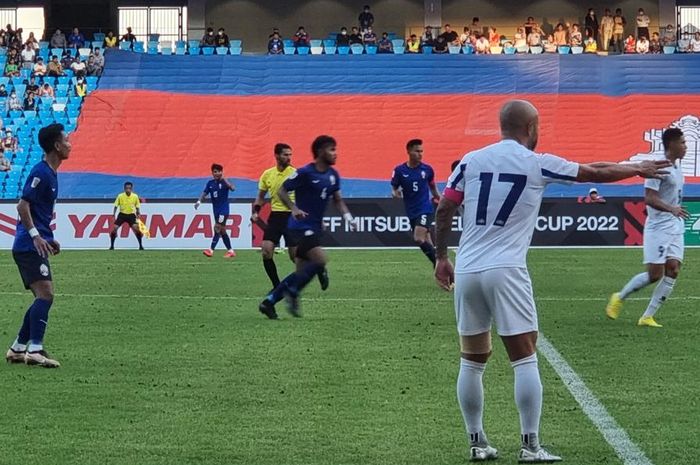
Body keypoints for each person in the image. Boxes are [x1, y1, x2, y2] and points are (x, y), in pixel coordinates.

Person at [433, 100, 670, 463]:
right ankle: (530, 446)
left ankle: (477, 442)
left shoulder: (471, 160)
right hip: (507, 269)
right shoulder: (536, 161)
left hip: (467, 268)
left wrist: (441, 257)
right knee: (524, 358)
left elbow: (445, 207)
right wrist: (637, 168)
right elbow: (594, 172)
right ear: (530, 127)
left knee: (472, 360)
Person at [258, 135, 355, 320]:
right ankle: (294, 292)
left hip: (314, 227)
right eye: (331, 149)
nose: (336, 153)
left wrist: (348, 217)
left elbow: (338, 200)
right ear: (320, 152)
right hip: (300, 227)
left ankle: (269, 302)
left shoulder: (333, 175)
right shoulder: (304, 173)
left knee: (300, 272)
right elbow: (282, 190)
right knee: (320, 259)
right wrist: (293, 208)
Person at [5, 124, 71, 368]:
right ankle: (35, 348)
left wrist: (47, 236)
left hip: (34, 243)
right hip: (27, 245)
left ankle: (18, 347)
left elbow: (36, 211)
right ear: (56, 145)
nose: (70, 144)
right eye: (66, 140)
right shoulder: (40, 172)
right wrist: (35, 235)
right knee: (46, 295)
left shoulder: (51, 173)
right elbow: (22, 206)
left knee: (40, 297)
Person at [606, 128, 687, 328]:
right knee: (655, 274)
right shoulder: (657, 167)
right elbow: (649, 198)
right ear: (671, 144)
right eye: (682, 142)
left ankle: (647, 317)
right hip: (658, 227)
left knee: (674, 269)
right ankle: (619, 296)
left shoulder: (678, 168)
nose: (685, 146)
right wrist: (671, 209)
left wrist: (675, 212)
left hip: (675, 226)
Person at [391, 139, 440, 268]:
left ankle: (440, 263)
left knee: (418, 238)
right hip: (411, 211)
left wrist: (441, 200)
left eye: (421, 151)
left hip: (425, 208)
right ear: (408, 151)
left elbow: (433, 188)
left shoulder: (427, 170)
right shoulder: (399, 171)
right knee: (427, 242)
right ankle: (440, 268)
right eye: (417, 151)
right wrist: (395, 193)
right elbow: (394, 189)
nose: (420, 154)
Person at [194, 163, 236, 258]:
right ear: (212, 173)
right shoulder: (210, 183)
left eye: (219, 172)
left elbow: (233, 188)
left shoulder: (225, 182)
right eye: (215, 172)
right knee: (222, 231)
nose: (217, 173)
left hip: (223, 211)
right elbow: (205, 193)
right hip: (216, 211)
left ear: (222, 172)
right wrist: (199, 201)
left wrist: (225, 180)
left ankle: (211, 250)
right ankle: (230, 251)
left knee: (217, 227)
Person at [109, 182, 145, 250]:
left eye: (129, 188)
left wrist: (138, 213)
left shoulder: (135, 196)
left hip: (131, 215)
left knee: (136, 229)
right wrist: (113, 213)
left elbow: (137, 206)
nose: (128, 190)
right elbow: (116, 206)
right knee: (114, 228)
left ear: (132, 189)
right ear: (124, 189)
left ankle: (140, 245)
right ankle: (112, 246)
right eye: (126, 188)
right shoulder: (120, 196)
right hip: (122, 214)